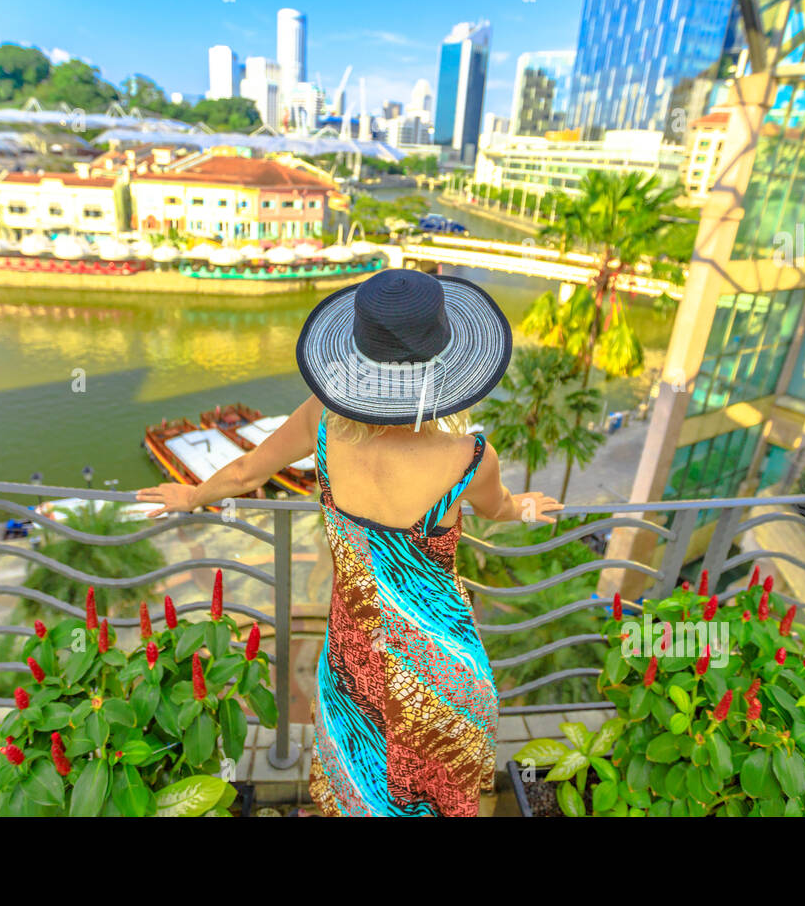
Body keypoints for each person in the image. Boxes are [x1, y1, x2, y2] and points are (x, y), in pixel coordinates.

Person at [136, 268, 562, 816]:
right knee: (440, 790)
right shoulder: (469, 457)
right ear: (444, 364)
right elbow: (498, 507)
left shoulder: (323, 419)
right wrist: (526, 506)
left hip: (354, 652)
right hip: (441, 657)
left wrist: (193, 497)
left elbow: (245, 472)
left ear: (359, 356)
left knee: (364, 783)